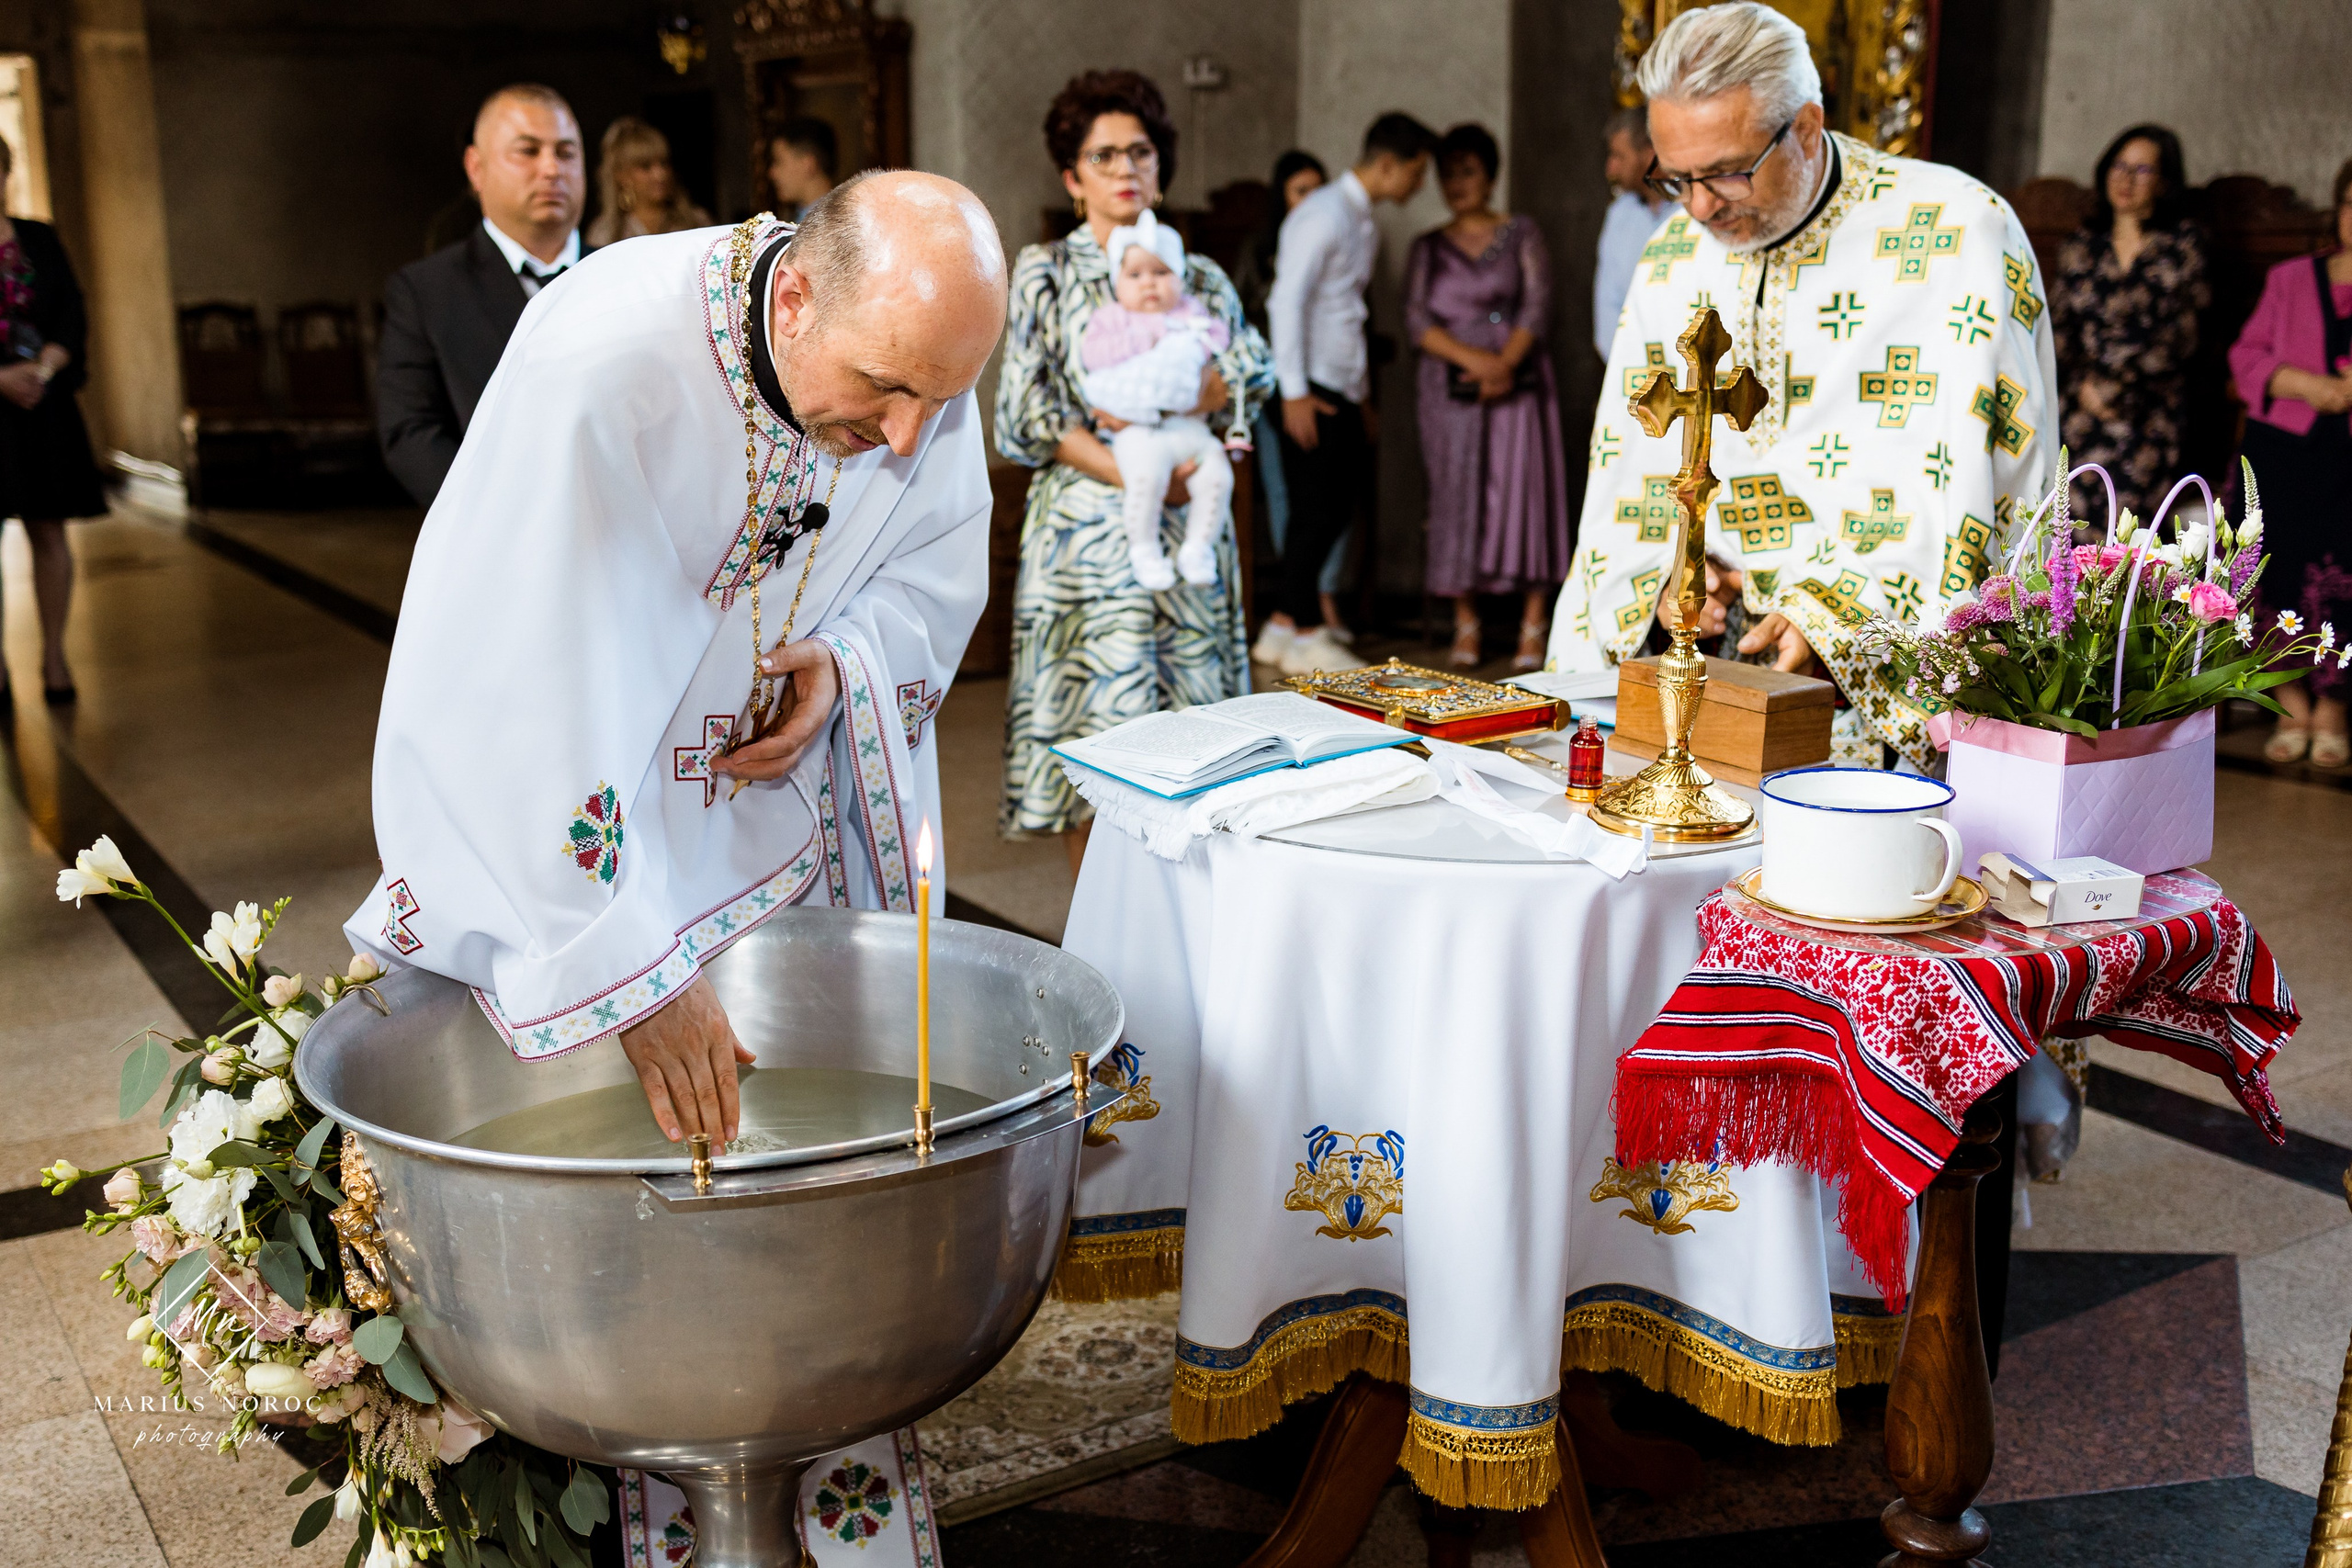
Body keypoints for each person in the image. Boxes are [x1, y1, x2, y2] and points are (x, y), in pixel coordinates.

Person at [345, 171, 1005, 1145]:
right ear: (794, 301)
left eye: (941, 401)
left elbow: (931, 572)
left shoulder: (919, 354)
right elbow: (500, 686)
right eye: (886, 389)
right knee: (592, 1151)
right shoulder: (600, 364)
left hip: (787, 813)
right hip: (603, 818)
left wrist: (837, 664)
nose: (905, 436)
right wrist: (625, 968)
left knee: (817, 1127)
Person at [1551, 2, 2057, 771]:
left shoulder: (1957, 235)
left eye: (1725, 172)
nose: (1697, 208)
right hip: (1705, 661)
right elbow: (1630, 472)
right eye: (1674, 177)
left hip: (1872, 689)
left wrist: (1845, 623)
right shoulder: (1672, 257)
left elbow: (1998, 492)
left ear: (1809, 127)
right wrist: (1667, 581)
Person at [996, 69, 1274, 870]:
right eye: (1104, 154)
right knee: (1101, 750)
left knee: (1199, 765)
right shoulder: (1047, 271)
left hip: (1192, 534)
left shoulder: (1203, 273)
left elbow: (1251, 373)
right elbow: (1028, 415)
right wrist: (1142, 474)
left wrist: (1213, 397)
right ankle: (1100, 939)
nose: (1125, 169)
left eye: (1141, 152)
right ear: (1071, 173)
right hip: (1090, 539)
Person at [1255, 110, 1439, 677]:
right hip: (1306, 386)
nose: (1419, 185)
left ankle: (1283, 625)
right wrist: (1292, 394)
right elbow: (1286, 302)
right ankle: (1307, 630)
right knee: (1315, 510)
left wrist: (1361, 397)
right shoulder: (1324, 214)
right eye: (1417, 172)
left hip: (1340, 384)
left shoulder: (1361, 220)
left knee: (1334, 509)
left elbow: (1346, 311)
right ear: (1388, 164)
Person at [1405, 121, 1573, 671]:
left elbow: (1538, 302)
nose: (1457, 183)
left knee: (1524, 491)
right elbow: (1415, 320)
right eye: (1447, 174)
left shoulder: (1522, 232)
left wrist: (1506, 362)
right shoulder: (1426, 247)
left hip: (1519, 381)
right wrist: (1476, 362)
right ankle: (1466, 623)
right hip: (1450, 386)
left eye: (1468, 171)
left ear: (1491, 175)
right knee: (1455, 494)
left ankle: (1532, 623)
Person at [378, 84, 589, 508]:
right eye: (528, 151)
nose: (551, 169)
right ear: (476, 168)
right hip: (496, 530)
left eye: (566, 153)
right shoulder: (426, 291)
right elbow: (411, 433)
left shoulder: (625, 276)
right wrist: (501, 514)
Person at [2228, 155, 2352, 768]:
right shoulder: (2291, 279)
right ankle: (2290, 700)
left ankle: (2335, 710)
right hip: (2284, 451)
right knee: (2273, 568)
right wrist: (2304, 383)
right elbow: (2244, 356)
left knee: (2345, 574)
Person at [2051, 125, 2209, 524]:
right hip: (2081, 400)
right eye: (2119, 166)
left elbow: (2181, 337)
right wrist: (2084, 387)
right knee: (2063, 520)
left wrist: (2115, 387)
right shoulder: (2080, 247)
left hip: (2149, 406)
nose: (2126, 179)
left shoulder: (2183, 246)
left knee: (2125, 537)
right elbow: (2059, 329)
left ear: (2164, 182)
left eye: (2142, 170)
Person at [0, 133, 106, 711]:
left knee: (49, 531)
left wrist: (42, 369)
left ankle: (54, 655)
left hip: (42, 406)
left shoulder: (38, 236)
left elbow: (72, 309)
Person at [1231, 150, 1354, 638]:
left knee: (1331, 496)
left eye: (1318, 190)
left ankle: (1311, 600)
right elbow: (1243, 319)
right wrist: (1288, 386)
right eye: (1301, 190)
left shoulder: (1333, 236)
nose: (1312, 200)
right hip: (1271, 384)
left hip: (1323, 378)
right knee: (1291, 494)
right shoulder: (1260, 250)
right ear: (1282, 196)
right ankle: (1298, 605)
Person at [1080, 209, 1238, 589]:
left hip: (1190, 430)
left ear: (1180, 277)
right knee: (1146, 478)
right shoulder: (1112, 318)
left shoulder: (1190, 313)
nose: (1149, 284)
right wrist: (1144, 337)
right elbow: (1093, 355)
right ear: (1117, 281)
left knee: (1218, 474)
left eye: (1162, 273)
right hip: (1140, 431)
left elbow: (1220, 339)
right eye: (1135, 275)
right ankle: (1144, 549)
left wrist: (1200, 339)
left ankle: (1198, 547)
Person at [1593, 105, 1671, 358]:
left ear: (1650, 154)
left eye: (1619, 156)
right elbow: (1608, 301)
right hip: (1631, 372)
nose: (1610, 170)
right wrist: (1625, 364)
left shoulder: (1694, 211)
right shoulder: (1620, 214)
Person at [585, 115, 711, 247]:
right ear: (621, 175)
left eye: (664, 163)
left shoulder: (696, 222)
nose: (660, 175)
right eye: (646, 167)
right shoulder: (605, 234)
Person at [768, 116, 838, 220]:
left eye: (779, 161)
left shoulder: (836, 223)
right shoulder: (803, 218)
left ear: (808, 164)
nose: (772, 173)